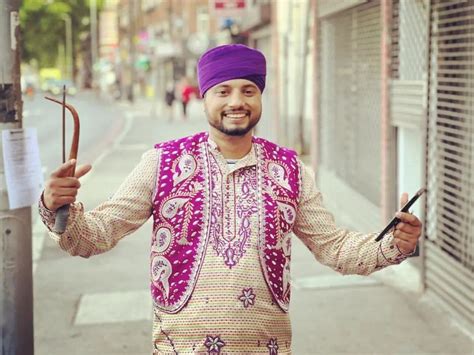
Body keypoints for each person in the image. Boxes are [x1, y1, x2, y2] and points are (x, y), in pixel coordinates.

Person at [39, 44, 423, 354]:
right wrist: (57, 206)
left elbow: (337, 249)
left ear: (260, 97)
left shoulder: (289, 168)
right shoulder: (162, 162)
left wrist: (394, 244)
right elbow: (96, 236)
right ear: (204, 97)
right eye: (223, 91)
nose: (236, 101)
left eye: (248, 90)